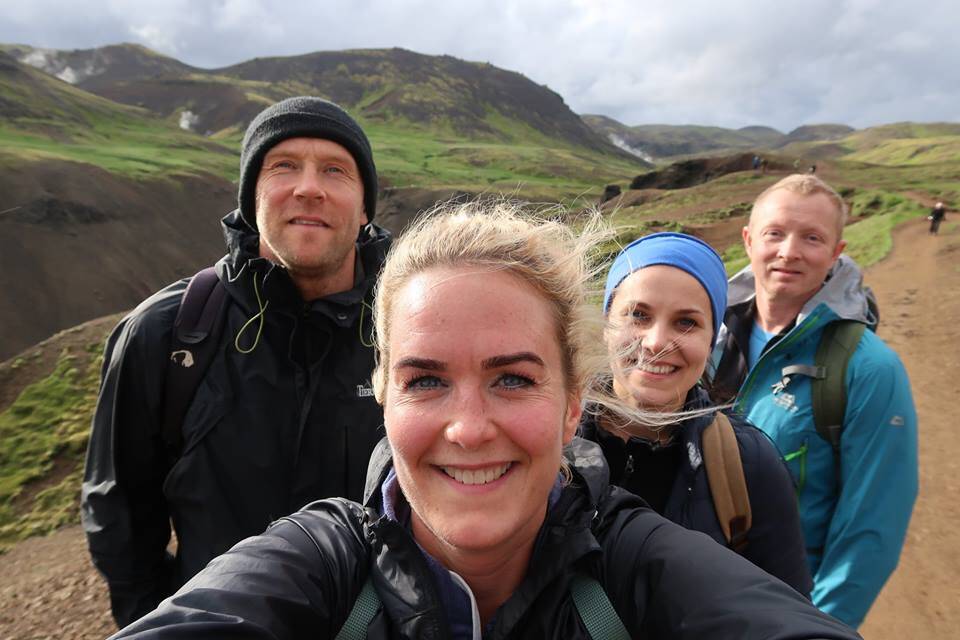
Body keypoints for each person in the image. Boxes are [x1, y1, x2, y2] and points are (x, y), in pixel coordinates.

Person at [110, 201, 859, 639]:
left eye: (512, 378)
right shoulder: (323, 564)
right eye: (426, 378)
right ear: (383, 394)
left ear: (573, 405)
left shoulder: (638, 569)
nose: (468, 428)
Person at [81, 96, 392, 628]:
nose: (309, 187)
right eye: (283, 166)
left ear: (364, 207)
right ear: (251, 196)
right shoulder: (167, 333)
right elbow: (121, 514)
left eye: (336, 171)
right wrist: (163, 621)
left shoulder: (406, 331)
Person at [712, 174, 918, 627]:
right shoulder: (704, 336)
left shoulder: (870, 370)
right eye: (775, 233)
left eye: (812, 238)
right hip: (689, 595)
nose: (789, 251)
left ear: (835, 254)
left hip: (780, 612)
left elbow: (870, 531)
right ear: (748, 240)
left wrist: (814, 630)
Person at [579, 232, 812, 595]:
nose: (656, 342)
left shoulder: (749, 464)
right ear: (607, 323)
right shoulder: (546, 438)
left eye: (686, 322)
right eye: (638, 315)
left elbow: (786, 608)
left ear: (710, 339)